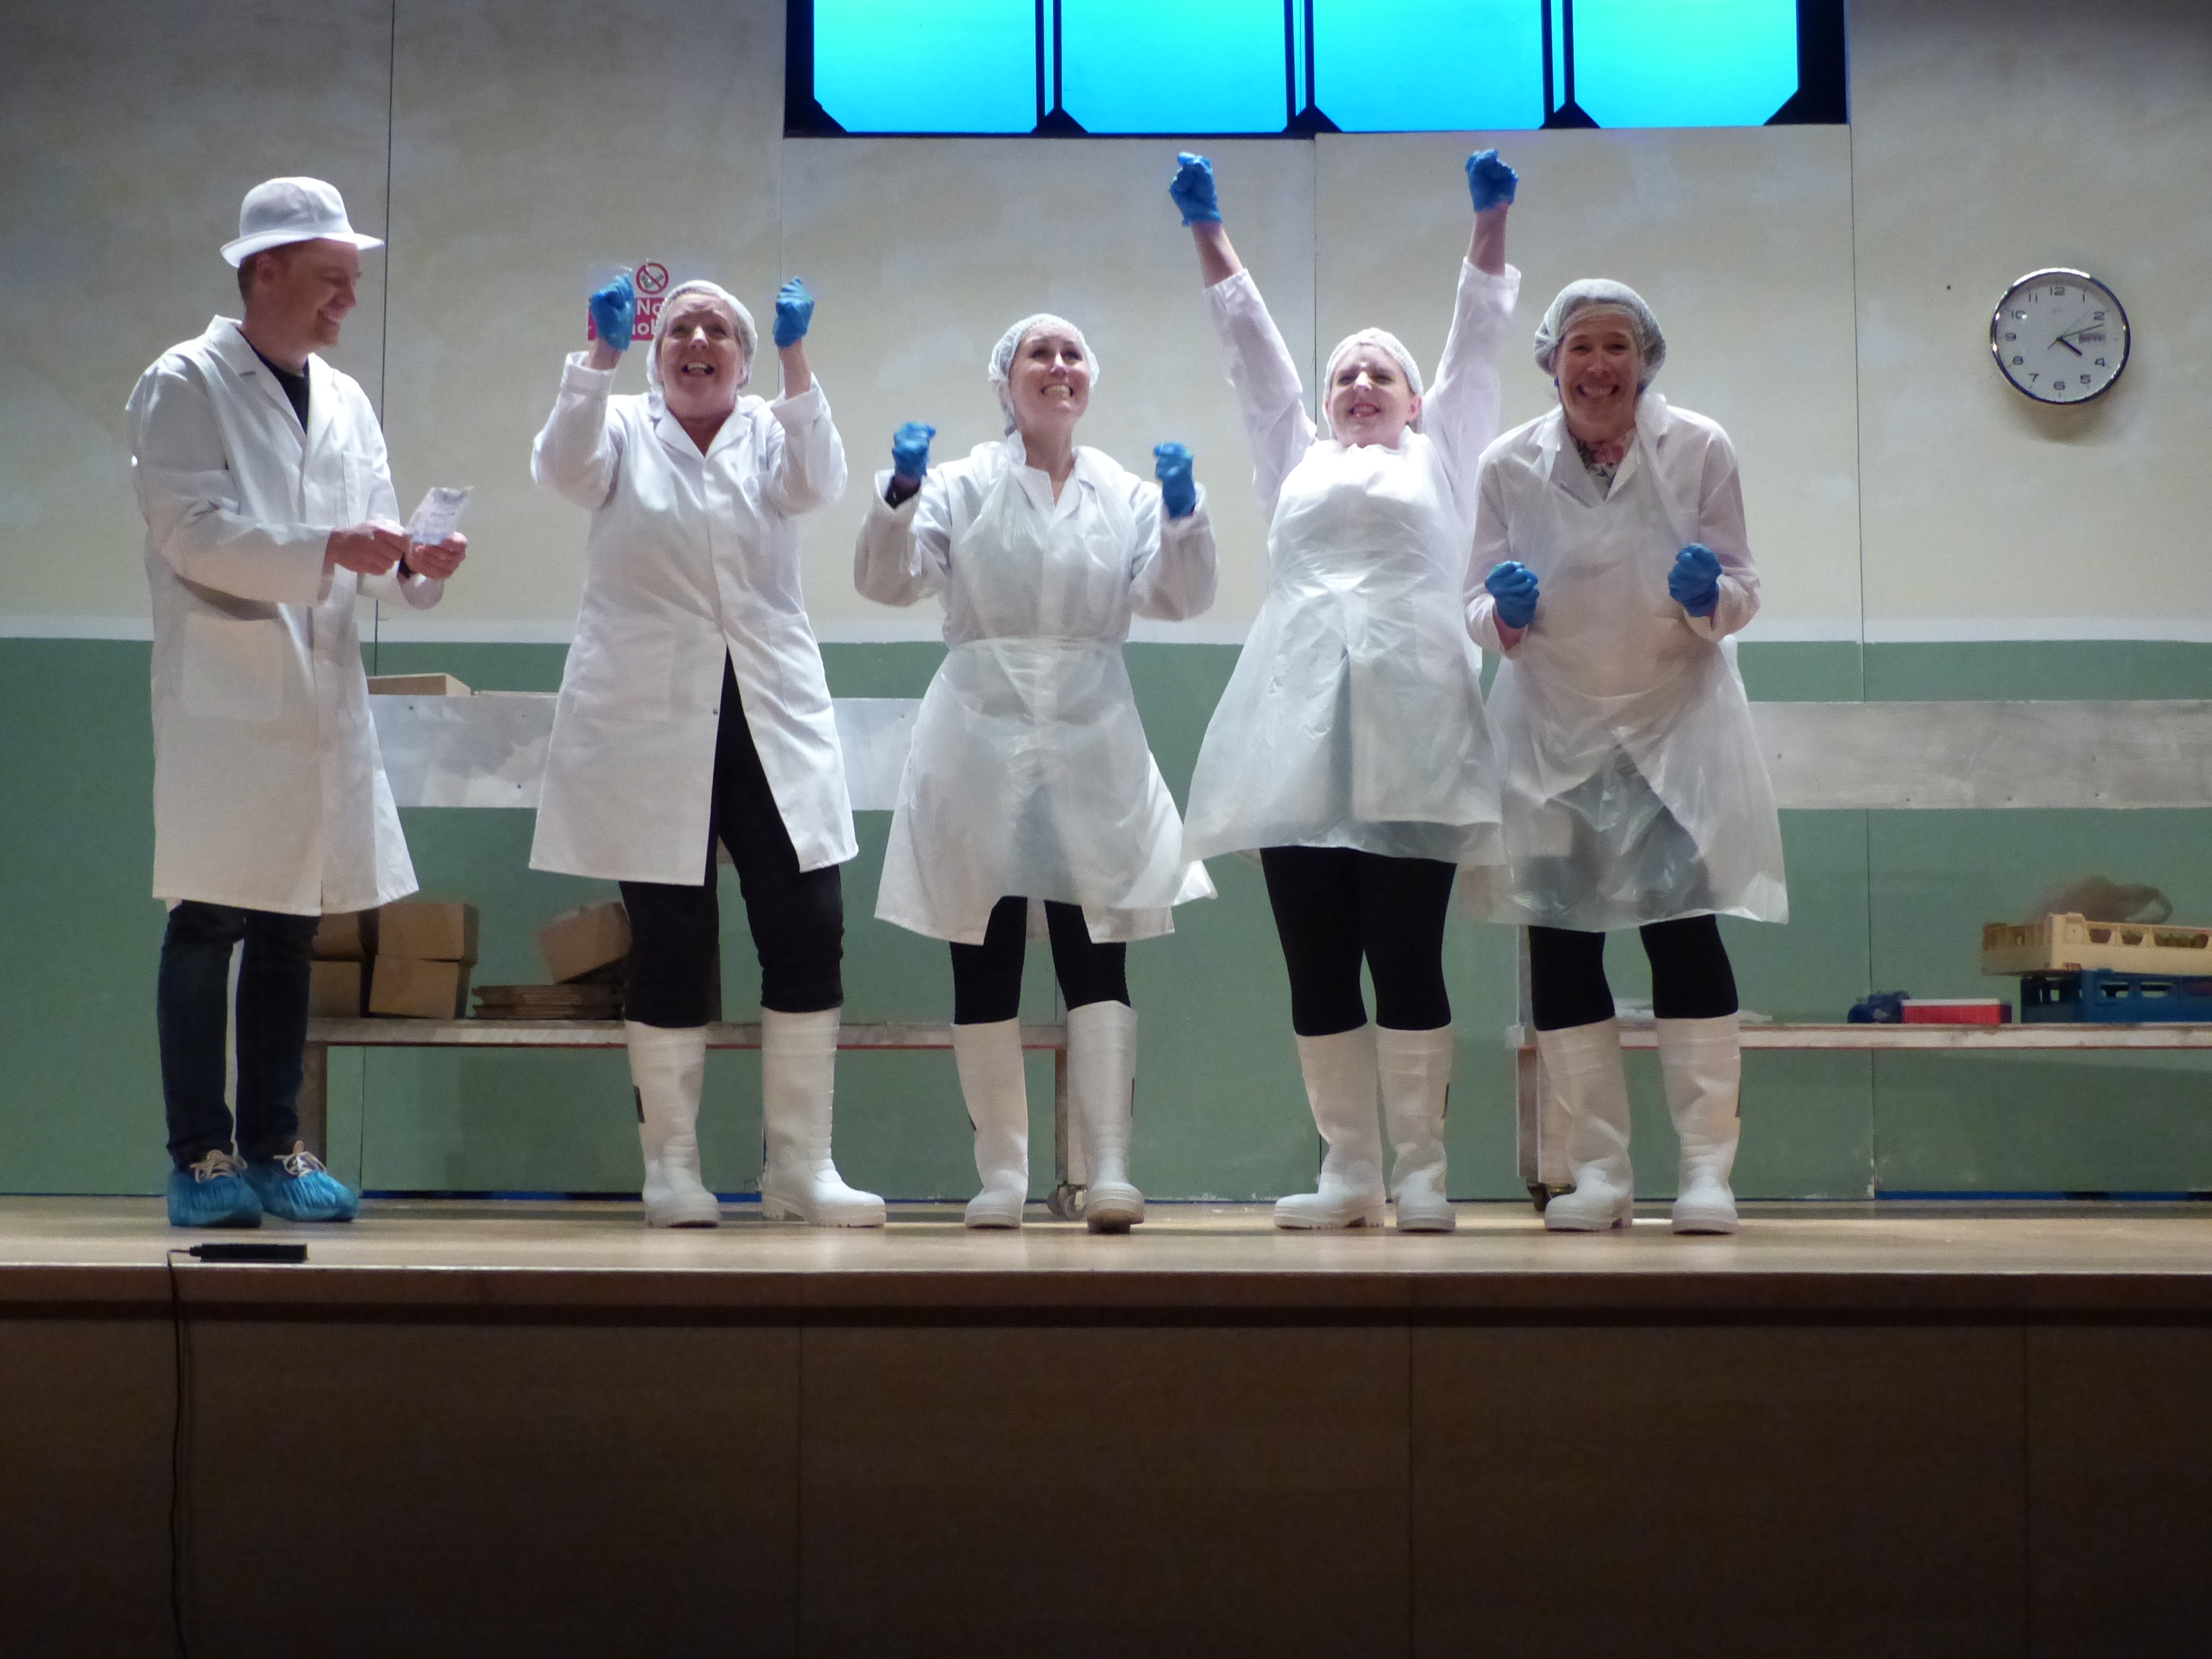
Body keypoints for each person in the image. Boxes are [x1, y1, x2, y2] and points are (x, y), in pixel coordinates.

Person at [1173, 150, 1520, 1234]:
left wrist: (1490, 224)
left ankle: (1421, 1173)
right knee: (1316, 962)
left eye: (1382, 374)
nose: (1361, 384)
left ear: (1417, 402)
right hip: (1293, 738)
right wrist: (1211, 232)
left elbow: (1476, 343)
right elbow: (1253, 358)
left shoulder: (1443, 456)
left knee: (1405, 956)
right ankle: (1348, 1173)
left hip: (1416, 735)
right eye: (1345, 377)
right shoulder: (1296, 461)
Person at [127, 176, 467, 1228]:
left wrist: (413, 563)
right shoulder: (184, 382)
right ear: (264, 271)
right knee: (208, 917)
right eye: (331, 279)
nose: (347, 302)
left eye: (352, 282)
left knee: (290, 923)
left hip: (319, 692)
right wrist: (330, 547)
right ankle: (201, 1156)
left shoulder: (344, 398)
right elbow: (191, 532)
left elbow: (372, 543)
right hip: (229, 692)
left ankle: (277, 1146)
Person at [531, 268, 881, 1229]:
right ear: (656, 356)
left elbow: (818, 482)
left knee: (807, 923)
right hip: (649, 714)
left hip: (768, 708)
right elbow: (562, 472)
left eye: (719, 331)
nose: (698, 343)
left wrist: (799, 358)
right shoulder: (618, 427)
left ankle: (801, 1167)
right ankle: (674, 1169)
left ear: (744, 360)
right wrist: (596, 358)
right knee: (673, 937)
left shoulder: (770, 430)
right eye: (681, 329)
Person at [853, 317, 1217, 1230]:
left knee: (1099, 942)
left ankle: (1109, 1170)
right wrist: (898, 495)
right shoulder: (962, 483)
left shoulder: (1123, 492)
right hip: (978, 731)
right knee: (983, 945)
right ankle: (1003, 1175)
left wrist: (1184, 517)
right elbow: (887, 582)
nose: (1058, 367)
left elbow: (1177, 597)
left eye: (1072, 354)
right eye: (1038, 355)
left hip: (1093, 730)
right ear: (1005, 382)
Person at [1464, 279, 1787, 1234]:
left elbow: (1743, 586)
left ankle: (1706, 1174)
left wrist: (1709, 597)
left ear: (1645, 360)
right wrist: (1501, 617)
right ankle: (1600, 1173)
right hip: (1551, 733)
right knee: (1562, 943)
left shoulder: (1701, 447)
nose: (1599, 366)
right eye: (1581, 347)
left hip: (1673, 728)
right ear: (1551, 361)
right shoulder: (1507, 463)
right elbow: (1473, 605)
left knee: (1684, 934)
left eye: (1617, 347)